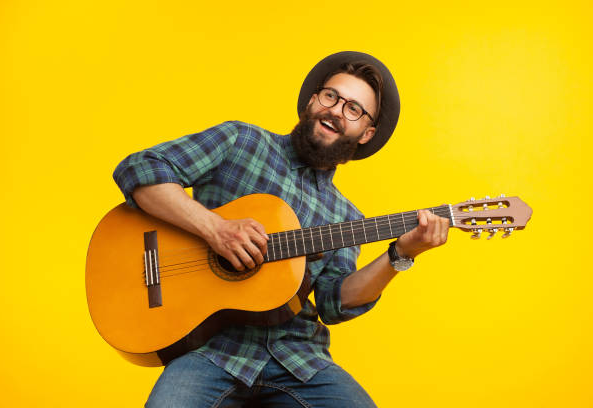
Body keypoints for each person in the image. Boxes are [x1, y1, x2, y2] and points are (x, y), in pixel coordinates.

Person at [113, 51, 450, 407]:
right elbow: (141, 169)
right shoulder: (241, 141)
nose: (336, 110)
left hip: (299, 362)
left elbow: (336, 302)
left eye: (353, 109)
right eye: (331, 96)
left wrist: (400, 254)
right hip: (210, 351)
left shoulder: (346, 216)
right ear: (312, 100)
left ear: (366, 133)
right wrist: (215, 229)